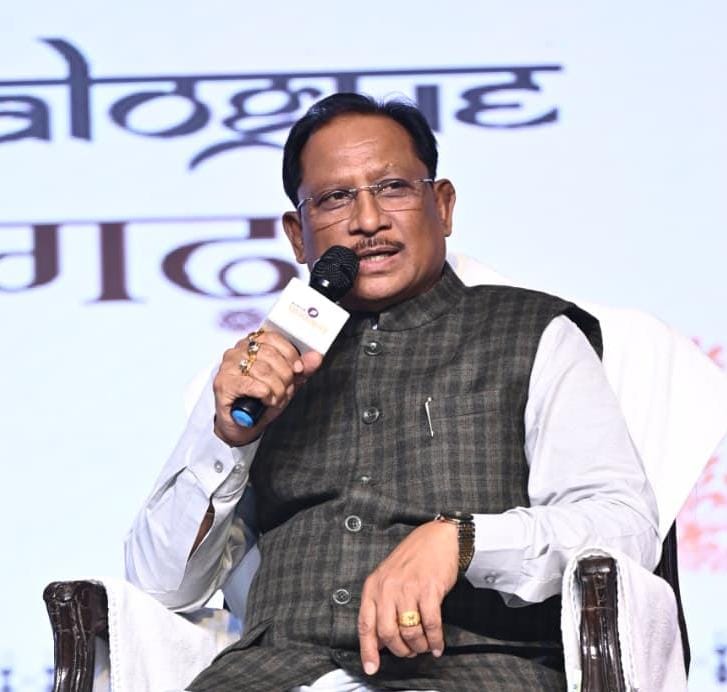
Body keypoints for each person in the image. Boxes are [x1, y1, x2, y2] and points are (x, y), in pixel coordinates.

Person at [125, 93, 660, 691]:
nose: (368, 220)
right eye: (334, 198)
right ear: (298, 236)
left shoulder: (534, 333)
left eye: (393, 188)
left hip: (470, 674)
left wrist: (464, 540)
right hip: (274, 676)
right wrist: (228, 439)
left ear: (443, 205)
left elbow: (623, 527)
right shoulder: (261, 365)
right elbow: (160, 585)